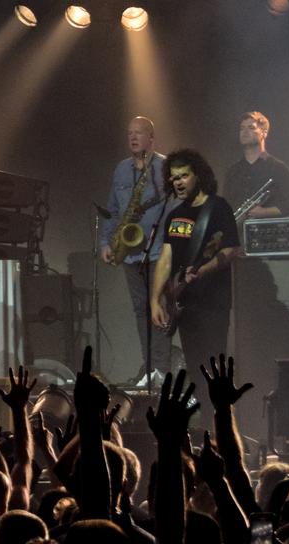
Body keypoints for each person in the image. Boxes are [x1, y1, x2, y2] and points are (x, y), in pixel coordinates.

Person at [151, 149, 241, 374]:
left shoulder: (218, 208)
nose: (177, 183)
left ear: (198, 175)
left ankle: (219, 409)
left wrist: (204, 270)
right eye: (173, 178)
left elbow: (231, 249)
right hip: (183, 303)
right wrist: (155, 300)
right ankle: (204, 407)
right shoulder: (174, 215)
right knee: (195, 368)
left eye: (183, 176)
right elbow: (165, 259)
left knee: (214, 368)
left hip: (213, 303)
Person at [99, 116, 173, 383]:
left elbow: (174, 208)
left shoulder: (164, 167)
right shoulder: (121, 169)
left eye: (139, 133)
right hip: (130, 252)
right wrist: (107, 242)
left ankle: (162, 369)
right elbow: (114, 210)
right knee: (140, 309)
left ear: (151, 138)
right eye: (130, 133)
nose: (132, 137)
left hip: (156, 250)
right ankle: (150, 366)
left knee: (160, 307)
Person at [224, 111, 289, 219]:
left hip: (267, 232)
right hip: (239, 234)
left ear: (264, 132)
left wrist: (265, 212)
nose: (244, 132)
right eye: (242, 128)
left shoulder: (278, 168)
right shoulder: (233, 171)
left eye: (251, 127)